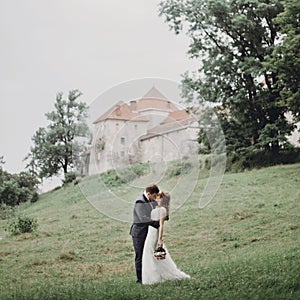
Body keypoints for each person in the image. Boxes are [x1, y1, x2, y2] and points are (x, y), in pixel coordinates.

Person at [142, 192, 191, 285]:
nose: (156, 198)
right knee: (148, 254)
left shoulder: (163, 210)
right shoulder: (156, 208)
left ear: (162, 199)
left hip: (154, 234)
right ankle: (151, 277)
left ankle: (153, 279)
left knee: (149, 253)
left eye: (159, 197)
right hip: (149, 232)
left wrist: (160, 239)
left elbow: (161, 226)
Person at [130, 184, 160, 284]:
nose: (155, 198)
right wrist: (156, 222)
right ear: (148, 193)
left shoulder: (151, 200)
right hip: (139, 233)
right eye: (154, 196)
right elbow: (142, 219)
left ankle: (148, 276)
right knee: (139, 255)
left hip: (148, 231)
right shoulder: (140, 201)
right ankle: (139, 280)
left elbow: (157, 208)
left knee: (147, 254)